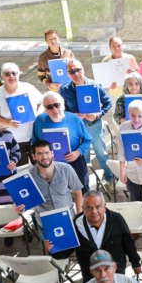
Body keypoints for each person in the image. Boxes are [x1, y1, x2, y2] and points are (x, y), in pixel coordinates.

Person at [50, 191, 141, 283]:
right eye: (89, 208)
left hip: (116, 273)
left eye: (98, 207)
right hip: (90, 276)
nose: (94, 211)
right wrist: (53, 249)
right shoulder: (74, 226)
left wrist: (135, 263)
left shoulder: (116, 219)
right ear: (83, 208)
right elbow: (65, 252)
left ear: (104, 207)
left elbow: (128, 243)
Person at [59, 58, 115, 188]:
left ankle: (110, 179)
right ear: (68, 74)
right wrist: (72, 115)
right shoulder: (64, 90)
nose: (76, 74)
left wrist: (98, 114)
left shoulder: (94, 86)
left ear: (83, 70)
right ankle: (86, 184)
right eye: (72, 71)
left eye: (78, 70)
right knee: (83, 157)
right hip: (77, 129)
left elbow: (108, 103)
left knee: (101, 154)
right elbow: (62, 109)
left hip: (94, 126)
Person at [31, 91, 94, 193]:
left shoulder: (74, 119)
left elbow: (88, 139)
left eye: (57, 105)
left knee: (83, 190)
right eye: (50, 107)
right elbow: (34, 141)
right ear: (45, 109)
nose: (55, 110)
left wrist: (78, 152)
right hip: (50, 164)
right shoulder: (39, 121)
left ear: (63, 104)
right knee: (56, 193)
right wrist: (44, 156)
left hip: (75, 161)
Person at [12, 140, 84, 224]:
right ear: (33, 156)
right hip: (45, 223)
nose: (44, 157)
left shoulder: (66, 169)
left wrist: (79, 216)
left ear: (52, 154)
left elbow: (77, 191)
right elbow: (18, 201)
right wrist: (16, 207)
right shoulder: (26, 177)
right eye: (39, 154)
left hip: (69, 219)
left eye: (47, 153)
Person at [0, 62, 44, 166]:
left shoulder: (27, 87)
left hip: (34, 136)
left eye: (14, 73)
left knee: (41, 166)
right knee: (20, 170)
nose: (11, 76)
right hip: (14, 140)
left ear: (19, 74)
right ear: (2, 77)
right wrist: (8, 122)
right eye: (7, 74)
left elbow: (43, 102)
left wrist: (37, 115)